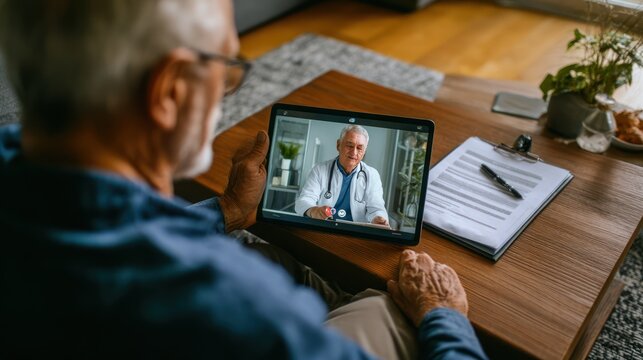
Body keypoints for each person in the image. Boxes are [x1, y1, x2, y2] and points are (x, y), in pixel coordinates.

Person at [0, 0, 488, 359]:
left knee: (262, 247)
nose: (229, 89)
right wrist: (443, 315)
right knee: (387, 311)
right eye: (227, 68)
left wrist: (229, 208)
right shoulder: (237, 303)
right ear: (169, 92)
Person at [295, 125, 389, 226]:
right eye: (349, 146)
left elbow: (376, 208)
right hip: (324, 227)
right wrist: (313, 210)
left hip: (356, 232)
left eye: (360, 148)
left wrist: (378, 218)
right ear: (338, 145)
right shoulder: (320, 170)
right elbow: (303, 201)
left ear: (364, 151)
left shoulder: (372, 175)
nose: (354, 152)